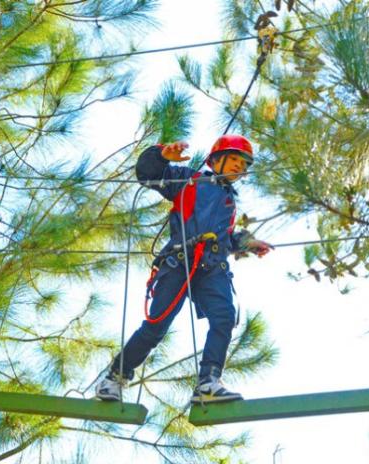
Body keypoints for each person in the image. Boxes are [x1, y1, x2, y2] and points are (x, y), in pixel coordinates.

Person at [96, 134, 273, 404]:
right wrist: (162, 155)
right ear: (217, 159)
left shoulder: (229, 202)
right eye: (235, 159)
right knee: (156, 326)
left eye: (243, 163)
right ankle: (114, 378)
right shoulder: (189, 180)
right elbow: (148, 174)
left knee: (225, 316)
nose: (240, 167)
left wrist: (246, 243)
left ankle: (208, 382)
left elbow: (223, 238)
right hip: (180, 262)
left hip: (211, 266)